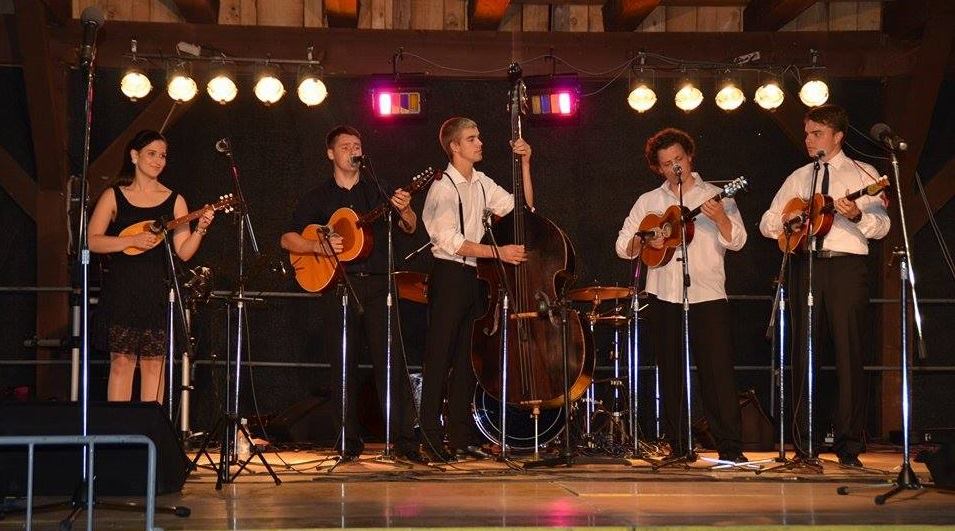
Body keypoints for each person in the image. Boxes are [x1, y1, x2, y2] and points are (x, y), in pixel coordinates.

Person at [280, 125, 424, 463]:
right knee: (342, 363)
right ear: (331, 153)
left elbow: (410, 226)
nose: (353, 151)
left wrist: (405, 209)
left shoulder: (378, 189)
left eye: (357, 145)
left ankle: (404, 441)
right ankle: (347, 441)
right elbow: (288, 238)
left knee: (390, 361)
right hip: (339, 285)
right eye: (345, 146)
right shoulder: (318, 197)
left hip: (378, 283)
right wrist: (317, 246)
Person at [759, 104, 890, 467]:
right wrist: (789, 220)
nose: (809, 139)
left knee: (850, 354)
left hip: (846, 267)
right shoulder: (800, 177)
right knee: (804, 353)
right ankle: (806, 443)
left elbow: (883, 227)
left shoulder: (865, 174)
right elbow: (767, 222)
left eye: (817, 133)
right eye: (807, 133)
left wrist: (858, 214)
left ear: (838, 136)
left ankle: (849, 445)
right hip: (806, 265)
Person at [615, 127, 748, 463]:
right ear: (658, 168)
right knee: (671, 371)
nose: (675, 167)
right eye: (666, 163)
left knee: (717, 372)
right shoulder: (649, 201)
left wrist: (721, 219)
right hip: (663, 294)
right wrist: (646, 239)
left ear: (689, 157)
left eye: (679, 159)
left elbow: (738, 240)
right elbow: (622, 246)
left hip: (707, 293)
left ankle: (730, 448)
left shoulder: (716, 195)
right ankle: (678, 445)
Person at [419, 117, 533, 461]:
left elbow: (522, 211)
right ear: (454, 146)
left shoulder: (482, 182)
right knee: (440, 356)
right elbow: (450, 241)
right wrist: (498, 252)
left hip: (476, 277)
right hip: (450, 275)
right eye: (471, 138)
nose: (479, 142)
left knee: (468, 358)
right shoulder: (442, 187)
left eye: (478, 136)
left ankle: (460, 435)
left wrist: (525, 164)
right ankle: (430, 437)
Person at [89, 129, 214, 403]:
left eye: (163, 156)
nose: (158, 161)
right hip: (123, 290)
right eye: (152, 154)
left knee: (154, 365)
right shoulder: (114, 195)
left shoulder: (175, 200)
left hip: (157, 291)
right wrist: (131, 241)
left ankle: (150, 428)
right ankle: (119, 427)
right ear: (134, 156)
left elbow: (184, 253)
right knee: (121, 363)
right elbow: (93, 241)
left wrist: (201, 229)